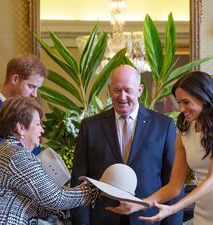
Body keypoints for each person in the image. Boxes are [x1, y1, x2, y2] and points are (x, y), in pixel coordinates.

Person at [108, 71, 213, 225]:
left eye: (186, 102)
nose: (181, 108)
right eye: (179, 102)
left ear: (204, 98)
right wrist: (140, 204)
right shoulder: (184, 131)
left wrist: (173, 209)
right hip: (204, 211)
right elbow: (174, 186)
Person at [70, 65, 184, 225]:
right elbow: (78, 182)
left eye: (128, 90)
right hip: (102, 219)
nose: (122, 97)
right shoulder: (90, 126)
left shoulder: (163, 126)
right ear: (109, 90)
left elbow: (173, 182)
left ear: (139, 90)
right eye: (117, 90)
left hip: (147, 219)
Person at [0, 96, 100, 224]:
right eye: (37, 124)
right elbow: (56, 199)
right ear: (21, 128)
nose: (42, 130)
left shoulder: (4, 150)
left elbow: (39, 206)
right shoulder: (17, 156)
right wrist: (94, 190)